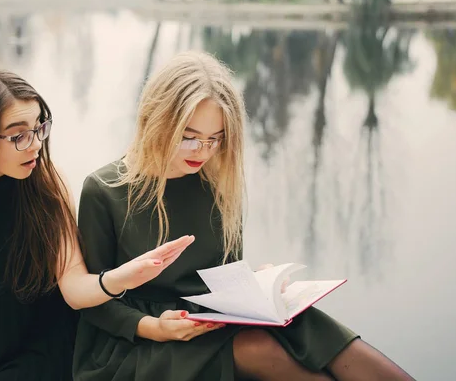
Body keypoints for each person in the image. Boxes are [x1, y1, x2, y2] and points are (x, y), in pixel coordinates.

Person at [72, 51, 415, 381]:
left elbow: (223, 277)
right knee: (258, 349)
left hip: (212, 320)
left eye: (215, 139)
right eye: (189, 138)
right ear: (157, 122)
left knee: (317, 332)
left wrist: (256, 283)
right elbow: (93, 303)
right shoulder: (105, 189)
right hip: (136, 340)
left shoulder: (215, 182)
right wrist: (154, 327)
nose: (203, 152)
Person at [0, 65, 194, 381]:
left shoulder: (48, 183)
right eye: (19, 135)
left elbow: (74, 284)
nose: (36, 143)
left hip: (43, 351)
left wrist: (122, 277)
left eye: (39, 127)